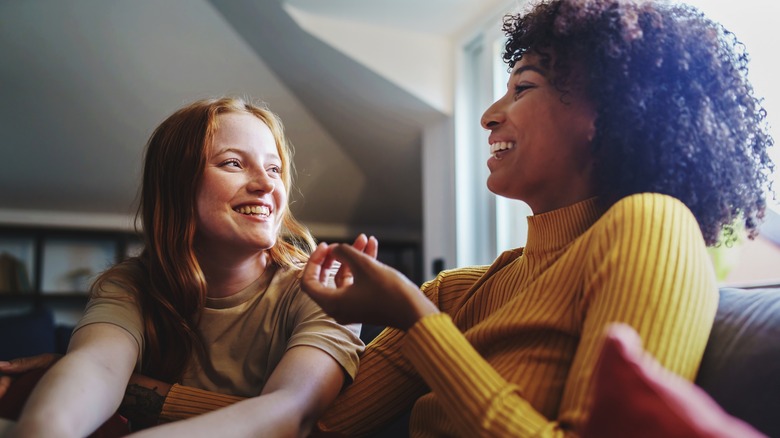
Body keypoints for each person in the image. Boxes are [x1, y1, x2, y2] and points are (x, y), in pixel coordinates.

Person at [299, 0, 775, 436]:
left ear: (609, 115)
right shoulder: (457, 292)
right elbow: (314, 424)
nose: (488, 115)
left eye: (523, 87)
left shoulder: (653, 227)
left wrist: (416, 321)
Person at [2, 96, 369, 437]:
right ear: (178, 185)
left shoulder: (324, 287)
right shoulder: (132, 286)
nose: (264, 184)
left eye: (274, 169)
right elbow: (97, 367)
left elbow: (291, 411)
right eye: (233, 163)